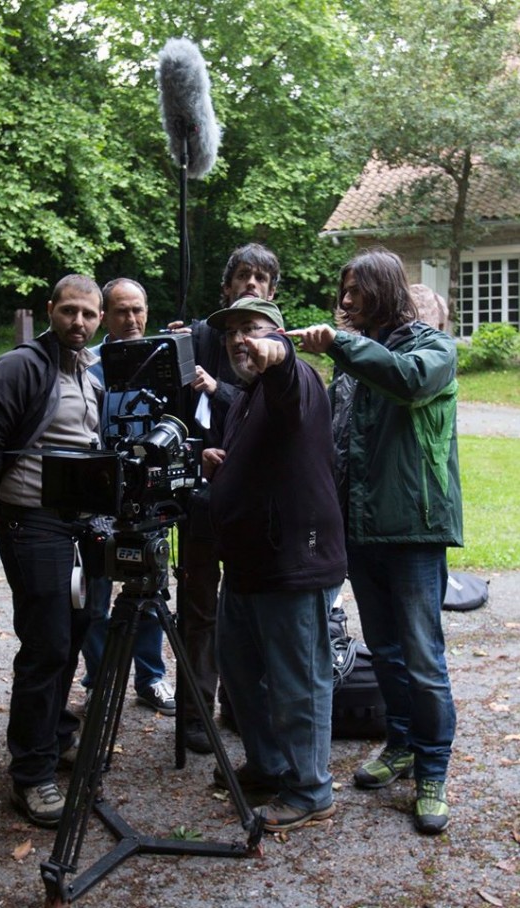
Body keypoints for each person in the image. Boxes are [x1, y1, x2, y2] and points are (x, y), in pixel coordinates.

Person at [288, 247, 462, 835]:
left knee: (422, 654)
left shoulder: (432, 350)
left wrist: (340, 344)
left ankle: (433, 768)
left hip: (413, 528)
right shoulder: (352, 360)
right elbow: (337, 444)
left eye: (355, 290)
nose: (344, 301)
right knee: (385, 650)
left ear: (384, 290)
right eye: (342, 290)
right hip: (360, 529)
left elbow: (406, 384)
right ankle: (403, 743)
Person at [0, 274, 104, 828]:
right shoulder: (20, 367)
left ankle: (54, 734)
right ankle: (31, 775)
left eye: (88, 315)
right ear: (51, 310)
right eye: (69, 311)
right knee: (45, 646)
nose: (79, 322)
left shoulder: (89, 371)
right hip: (33, 524)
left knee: (75, 631)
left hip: (81, 524)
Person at [203, 296, 347, 833]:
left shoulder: (296, 379)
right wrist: (222, 462)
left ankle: (311, 790)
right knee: (240, 672)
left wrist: (276, 352)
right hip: (247, 564)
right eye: (232, 330)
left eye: (253, 329)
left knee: (298, 679)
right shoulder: (247, 396)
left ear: (279, 334)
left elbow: (287, 383)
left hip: (293, 561)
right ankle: (268, 766)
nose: (240, 339)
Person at [169, 243, 282, 753]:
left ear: (273, 292)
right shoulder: (197, 337)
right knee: (199, 610)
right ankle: (196, 713)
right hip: (200, 497)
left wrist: (217, 388)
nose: (252, 284)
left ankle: (241, 706)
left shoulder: (278, 345)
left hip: (256, 500)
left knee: (250, 606)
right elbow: (169, 406)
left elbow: (274, 407)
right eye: (243, 276)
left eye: (261, 278)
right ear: (226, 287)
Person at [82, 278, 175, 716]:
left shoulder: (163, 360)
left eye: (138, 309)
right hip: (100, 494)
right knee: (96, 594)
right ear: (105, 315)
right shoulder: (90, 365)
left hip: (149, 491)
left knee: (152, 584)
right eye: (121, 311)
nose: (132, 319)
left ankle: (151, 677)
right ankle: (100, 680)